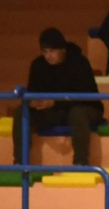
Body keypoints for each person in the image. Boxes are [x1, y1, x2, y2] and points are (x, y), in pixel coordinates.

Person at [17, 28, 97, 167]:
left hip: (83, 108)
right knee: (21, 113)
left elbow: (86, 96)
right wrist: (34, 102)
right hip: (53, 111)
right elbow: (32, 90)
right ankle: (19, 163)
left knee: (78, 113)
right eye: (45, 52)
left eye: (52, 51)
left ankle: (80, 163)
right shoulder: (38, 65)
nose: (48, 56)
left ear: (63, 50)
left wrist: (55, 102)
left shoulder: (80, 63)